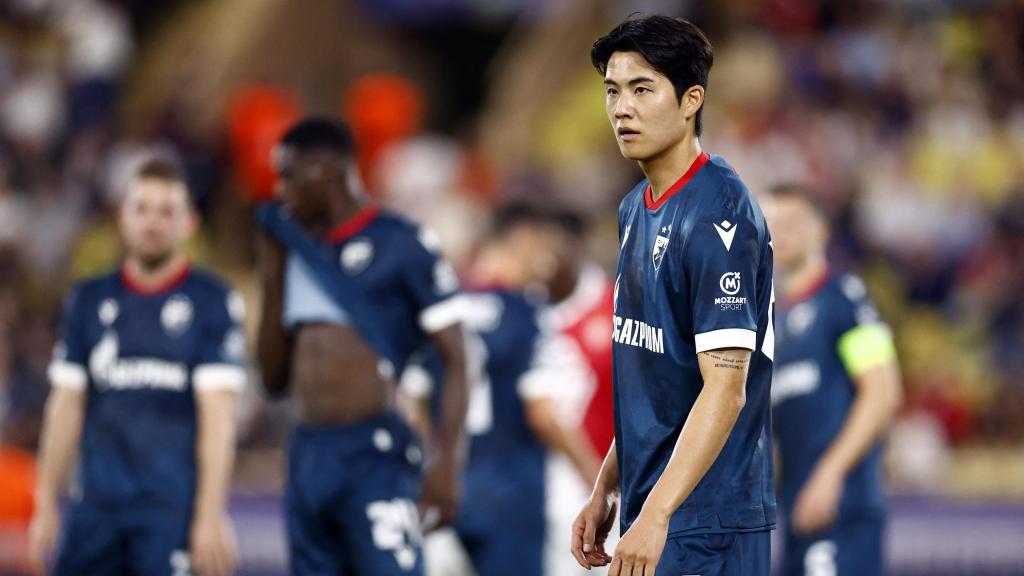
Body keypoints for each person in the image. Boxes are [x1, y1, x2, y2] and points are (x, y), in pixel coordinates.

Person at [572, 15, 777, 576]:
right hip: (654, 509)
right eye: (612, 91)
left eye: (642, 89)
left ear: (691, 101)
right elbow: (654, 374)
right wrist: (608, 487)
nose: (621, 108)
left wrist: (657, 513)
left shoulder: (719, 214)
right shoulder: (634, 207)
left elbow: (726, 388)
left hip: (707, 520)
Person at [257, 117, 468, 576]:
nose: (280, 190)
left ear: (325, 172)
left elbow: (456, 358)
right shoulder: (294, 251)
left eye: (288, 175)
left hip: (373, 452)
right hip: (308, 453)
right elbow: (272, 380)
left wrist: (449, 460)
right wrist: (273, 273)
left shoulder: (401, 243)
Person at [29, 157, 245, 576]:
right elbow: (65, 406)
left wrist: (210, 515)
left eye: (167, 212)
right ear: (122, 218)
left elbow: (218, 417)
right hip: (96, 507)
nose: (153, 223)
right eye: (142, 209)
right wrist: (45, 503)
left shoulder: (211, 301)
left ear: (190, 223)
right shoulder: (88, 300)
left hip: (169, 510)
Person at [405, 204, 600, 576]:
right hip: (510, 492)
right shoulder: (526, 312)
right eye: (543, 248)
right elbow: (541, 412)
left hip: (442, 488)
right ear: (522, 241)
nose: (548, 262)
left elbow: (412, 407)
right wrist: (595, 476)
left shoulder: (439, 311)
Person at [766, 184, 903, 576]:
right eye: (772, 223)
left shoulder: (845, 297)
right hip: (796, 513)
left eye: (792, 222)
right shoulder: (771, 323)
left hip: (842, 509)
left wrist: (830, 473)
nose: (781, 233)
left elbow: (883, 391)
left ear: (821, 231)